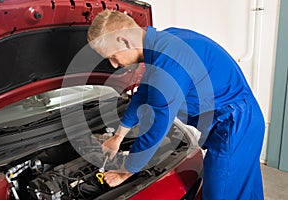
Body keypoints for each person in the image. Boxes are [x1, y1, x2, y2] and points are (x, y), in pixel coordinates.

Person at [87, 9, 265, 199]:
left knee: (220, 195)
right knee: (245, 191)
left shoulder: (169, 63)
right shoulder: (163, 43)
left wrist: (126, 171)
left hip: (235, 127)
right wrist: (118, 137)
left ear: (124, 41)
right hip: (242, 121)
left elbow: (156, 127)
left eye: (112, 57)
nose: (113, 65)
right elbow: (142, 95)